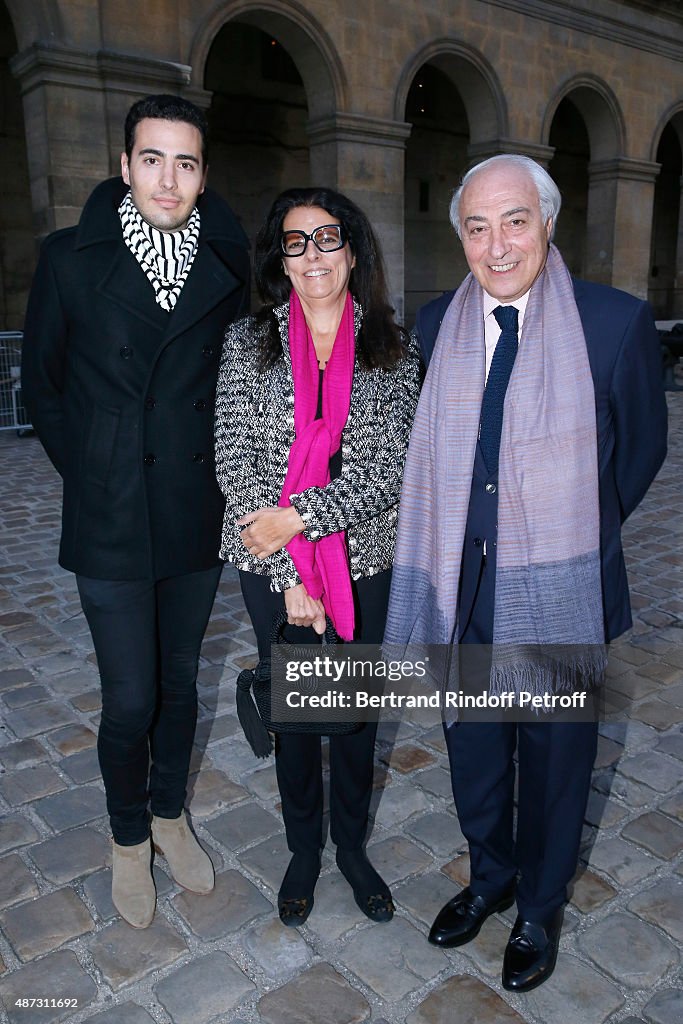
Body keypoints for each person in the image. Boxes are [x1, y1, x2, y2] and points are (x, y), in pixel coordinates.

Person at [385, 154, 667, 990]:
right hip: (461, 582)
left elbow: (641, 452)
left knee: (553, 757)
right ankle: (490, 876)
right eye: (476, 226)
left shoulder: (613, 324)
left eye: (513, 221)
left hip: (556, 587)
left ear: (547, 223)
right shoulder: (437, 325)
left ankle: (539, 907)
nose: (496, 244)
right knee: (472, 749)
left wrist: (571, 529)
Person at [21, 94, 250, 928]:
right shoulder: (69, 258)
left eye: (184, 162)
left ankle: (167, 816)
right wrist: (93, 472)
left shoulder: (226, 261)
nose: (168, 177)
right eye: (151, 158)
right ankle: (126, 840)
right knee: (128, 699)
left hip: (194, 510)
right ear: (124, 167)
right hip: (111, 515)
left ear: (201, 175)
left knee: (181, 685)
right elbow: (40, 386)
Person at [215, 187, 420, 927]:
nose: (312, 256)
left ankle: (352, 849)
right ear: (280, 258)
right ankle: (304, 848)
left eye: (326, 238)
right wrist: (291, 573)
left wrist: (300, 517)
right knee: (296, 719)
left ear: (353, 250)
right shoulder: (247, 343)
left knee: (355, 719)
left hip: (364, 563)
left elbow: (388, 466)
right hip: (270, 569)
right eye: (295, 242)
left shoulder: (393, 348)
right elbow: (233, 462)